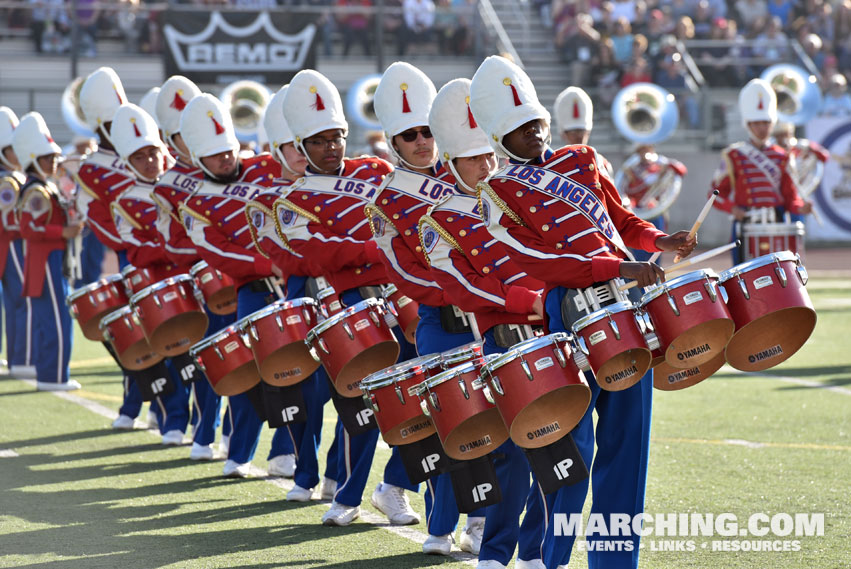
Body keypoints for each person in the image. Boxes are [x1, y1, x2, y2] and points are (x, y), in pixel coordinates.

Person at [468, 55, 696, 569]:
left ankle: (616, 563)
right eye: (518, 129)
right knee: (570, 455)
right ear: (499, 139)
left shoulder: (582, 160)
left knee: (627, 452)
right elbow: (539, 261)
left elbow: (621, 218)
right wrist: (617, 267)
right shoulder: (496, 195)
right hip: (567, 324)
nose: (533, 133)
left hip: (625, 316)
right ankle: (547, 559)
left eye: (536, 123)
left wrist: (661, 239)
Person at [278, 68, 420, 527]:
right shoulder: (292, 199)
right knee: (358, 408)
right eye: (319, 141)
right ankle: (347, 494)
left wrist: (364, 251)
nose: (332, 147)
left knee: (419, 398)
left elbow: (402, 233)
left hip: (404, 298)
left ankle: (394, 487)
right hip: (349, 308)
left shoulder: (377, 170)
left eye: (337, 136)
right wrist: (377, 249)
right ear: (302, 147)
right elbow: (320, 256)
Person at [423, 76, 546, 569]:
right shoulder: (439, 220)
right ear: (450, 164)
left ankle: (537, 551)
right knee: (511, 456)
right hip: (498, 339)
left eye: (490, 156)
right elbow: (465, 288)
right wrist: (527, 302)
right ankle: (495, 551)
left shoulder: (518, 197)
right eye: (474, 159)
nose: (488, 166)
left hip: (545, 336)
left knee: (551, 449)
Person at [370, 62, 484, 556]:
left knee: (487, 424)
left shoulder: (467, 172)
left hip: (489, 320)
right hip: (441, 321)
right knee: (449, 427)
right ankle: (440, 527)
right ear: (393, 143)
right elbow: (407, 274)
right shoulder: (386, 199)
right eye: (410, 135)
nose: (422, 141)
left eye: (427, 131)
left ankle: (479, 520)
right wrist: (465, 292)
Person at [178, 93, 297, 479]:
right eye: (214, 155)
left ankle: (287, 453)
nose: (226, 158)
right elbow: (221, 255)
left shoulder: (265, 166)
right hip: (254, 288)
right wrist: (274, 263)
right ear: (198, 159)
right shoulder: (195, 204)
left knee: (298, 371)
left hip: (295, 281)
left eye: (228, 149)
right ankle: (239, 453)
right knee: (249, 371)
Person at [245, 85, 338, 502]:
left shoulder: (346, 183)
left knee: (354, 398)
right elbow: (291, 256)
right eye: (293, 146)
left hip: (348, 300)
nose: (302, 154)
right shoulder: (268, 196)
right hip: (301, 299)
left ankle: (337, 475)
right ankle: (305, 469)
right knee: (308, 393)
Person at [152, 75, 233, 460]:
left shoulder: (233, 169)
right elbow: (170, 241)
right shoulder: (167, 184)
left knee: (237, 356)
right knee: (197, 356)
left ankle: (232, 435)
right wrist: (208, 251)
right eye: (184, 136)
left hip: (230, 277)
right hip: (192, 279)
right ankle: (198, 429)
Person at [109, 102, 193, 447]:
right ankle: (174, 419)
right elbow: (138, 252)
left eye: (153, 153)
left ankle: (210, 428)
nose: (150, 162)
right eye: (139, 157)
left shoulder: (184, 185)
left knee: (198, 357)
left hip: (192, 281)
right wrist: (172, 247)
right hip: (159, 287)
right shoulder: (124, 202)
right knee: (171, 354)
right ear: (129, 164)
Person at [74, 67, 151, 429]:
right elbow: (99, 221)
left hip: (164, 254)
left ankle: (171, 412)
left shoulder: (148, 148)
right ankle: (132, 404)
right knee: (132, 331)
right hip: (130, 256)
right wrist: (135, 241)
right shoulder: (92, 169)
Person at [12, 113, 83, 391]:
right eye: (47, 158)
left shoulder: (44, 188)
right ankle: (54, 377)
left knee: (53, 319)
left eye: (53, 157)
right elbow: (28, 228)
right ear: (33, 160)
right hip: (47, 261)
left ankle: (50, 374)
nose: (53, 162)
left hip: (51, 260)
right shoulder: (37, 192)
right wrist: (62, 232)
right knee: (57, 320)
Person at [710, 78, 812, 264]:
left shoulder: (782, 156)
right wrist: (732, 208)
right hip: (746, 223)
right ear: (748, 125)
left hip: (777, 223)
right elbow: (714, 194)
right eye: (757, 123)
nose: (762, 128)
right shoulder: (734, 155)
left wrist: (801, 207)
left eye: (766, 123)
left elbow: (790, 197)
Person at [0, 107, 35, 380]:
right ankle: (21, 359)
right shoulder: (8, 180)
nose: (19, 154)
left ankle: (17, 357)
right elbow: (11, 221)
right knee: (21, 301)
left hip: (11, 243)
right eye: (13, 149)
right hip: (11, 244)